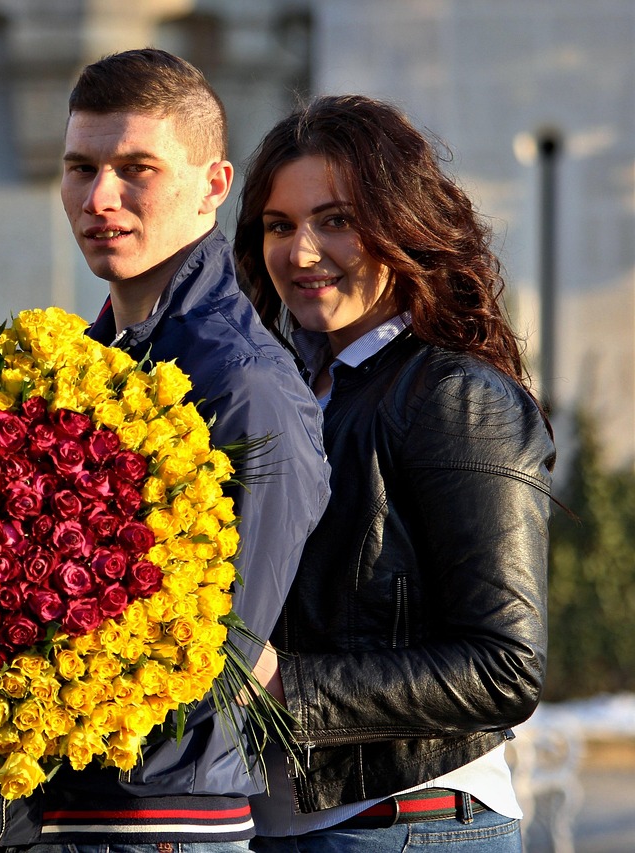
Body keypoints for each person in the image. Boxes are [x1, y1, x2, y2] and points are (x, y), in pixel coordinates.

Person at [0, 48, 331, 852]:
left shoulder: (246, 385)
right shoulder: (77, 366)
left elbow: (220, 656)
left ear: (214, 184)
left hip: (156, 823)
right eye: (80, 167)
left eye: (136, 168)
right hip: (52, 815)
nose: (100, 198)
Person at [233, 94, 555, 852]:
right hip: (285, 826)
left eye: (336, 219)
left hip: (407, 827)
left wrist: (287, 686)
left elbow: (506, 666)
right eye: (280, 226)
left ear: (400, 224)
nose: (302, 252)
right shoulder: (288, 394)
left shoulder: (456, 396)